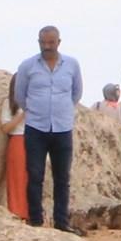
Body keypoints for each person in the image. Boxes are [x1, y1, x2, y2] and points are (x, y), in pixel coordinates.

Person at [9, 28, 86, 230]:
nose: (47, 46)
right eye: (43, 42)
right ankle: (35, 220)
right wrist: (35, 111)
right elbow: (20, 96)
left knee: (62, 178)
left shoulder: (72, 65)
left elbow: (76, 93)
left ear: (58, 42)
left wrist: (61, 109)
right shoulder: (27, 66)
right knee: (34, 175)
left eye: (51, 42)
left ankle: (61, 222)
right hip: (36, 127)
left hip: (62, 128)